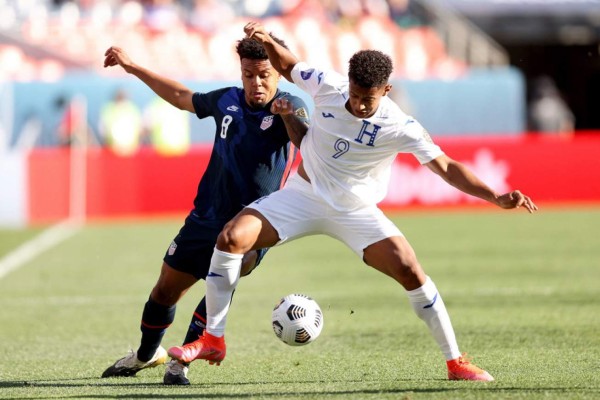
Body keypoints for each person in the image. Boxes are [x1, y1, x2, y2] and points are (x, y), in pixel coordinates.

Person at [167, 21, 538, 382]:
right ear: (349, 84)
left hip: (355, 212)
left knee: (410, 269)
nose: (359, 105)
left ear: (387, 90)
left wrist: (494, 196)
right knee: (231, 238)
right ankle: (214, 339)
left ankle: (456, 362)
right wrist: (264, 38)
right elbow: (289, 64)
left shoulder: (400, 126)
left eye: (368, 99)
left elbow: (445, 166)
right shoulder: (328, 87)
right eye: (356, 95)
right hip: (303, 195)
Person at [100, 34, 310, 385]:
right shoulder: (226, 99)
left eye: (264, 75)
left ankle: (178, 364)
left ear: (279, 72)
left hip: (252, 223)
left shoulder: (292, 105)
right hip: (205, 217)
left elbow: (305, 141)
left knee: (225, 276)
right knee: (165, 292)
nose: (256, 83)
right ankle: (146, 354)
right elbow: (182, 97)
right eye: (248, 75)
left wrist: (288, 117)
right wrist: (133, 67)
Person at [99, 88, 143, 156]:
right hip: (117, 150)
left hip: (127, 151)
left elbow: (102, 130)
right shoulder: (110, 109)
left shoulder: (131, 108)